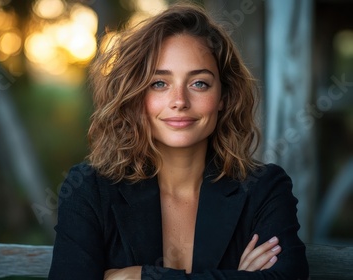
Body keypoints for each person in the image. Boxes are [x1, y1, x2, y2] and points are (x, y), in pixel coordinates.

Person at [48, 2, 309, 279]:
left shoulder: (264, 188)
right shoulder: (89, 190)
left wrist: (139, 276)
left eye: (199, 83)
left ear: (223, 97)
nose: (180, 102)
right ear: (136, 95)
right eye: (159, 83)